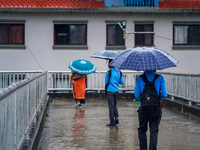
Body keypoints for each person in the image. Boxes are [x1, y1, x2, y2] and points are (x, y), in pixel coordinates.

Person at [135, 70, 167, 150]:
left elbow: (137, 95)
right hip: (155, 108)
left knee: (142, 130)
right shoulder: (160, 78)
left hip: (143, 108)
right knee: (154, 130)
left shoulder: (139, 78)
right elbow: (164, 94)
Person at [105, 59, 124, 126]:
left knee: (111, 106)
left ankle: (112, 122)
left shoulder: (108, 72)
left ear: (110, 65)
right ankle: (116, 118)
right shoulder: (119, 72)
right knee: (115, 104)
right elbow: (122, 82)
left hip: (110, 90)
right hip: (116, 91)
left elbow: (106, 82)